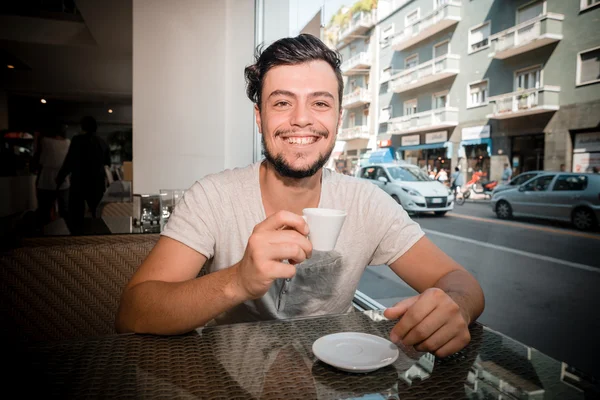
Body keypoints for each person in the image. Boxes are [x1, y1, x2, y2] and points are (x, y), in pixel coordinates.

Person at [116, 34, 484, 358]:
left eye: (320, 103)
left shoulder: (367, 202)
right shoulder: (213, 196)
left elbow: (459, 280)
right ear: (259, 118)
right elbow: (133, 311)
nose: (302, 120)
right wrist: (238, 281)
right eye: (282, 103)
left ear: (339, 117)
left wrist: (456, 307)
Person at [56, 116, 111, 235]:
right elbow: (108, 163)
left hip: (80, 181)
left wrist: (60, 177)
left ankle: (78, 241)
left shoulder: (77, 140)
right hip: (97, 182)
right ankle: (97, 240)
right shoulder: (102, 142)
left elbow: (69, 161)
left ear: (83, 126)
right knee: (97, 214)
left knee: (76, 216)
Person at [33, 122, 71, 227]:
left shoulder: (44, 141)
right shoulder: (67, 142)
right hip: (63, 179)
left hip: (46, 178)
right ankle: (65, 233)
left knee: (44, 209)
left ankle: (45, 234)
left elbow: (37, 158)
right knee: (64, 210)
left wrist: (36, 138)